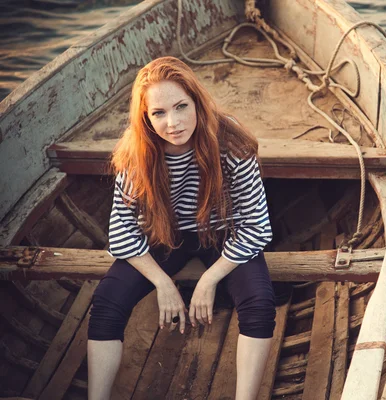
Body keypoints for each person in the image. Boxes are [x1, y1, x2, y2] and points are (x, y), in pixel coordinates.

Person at [87, 56, 276, 400]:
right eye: (158, 113)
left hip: (223, 235)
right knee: (106, 303)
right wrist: (162, 283)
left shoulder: (231, 142)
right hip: (165, 237)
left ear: (197, 102)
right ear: (145, 117)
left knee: (260, 303)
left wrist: (209, 279)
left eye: (181, 107)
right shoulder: (136, 152)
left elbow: (256, 227)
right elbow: (122, 229)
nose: (172, 123)